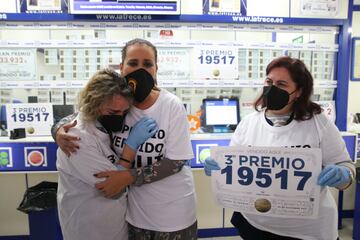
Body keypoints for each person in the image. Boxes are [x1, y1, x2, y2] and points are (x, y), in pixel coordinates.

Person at [53, 38, 197, 240]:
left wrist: (127, 176)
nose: (140, 69)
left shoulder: (170, 104)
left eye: (147, 64)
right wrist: (58, 129)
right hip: (133, 214)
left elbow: (176, 162)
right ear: (122, 67)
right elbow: (84, 116)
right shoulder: (120, 101)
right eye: (132, 63)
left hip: (171, 211)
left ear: (156, 68)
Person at [204, 56, 355, 240]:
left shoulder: (319, 122)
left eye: (282, 84)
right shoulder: (249, 123)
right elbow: (234, 168)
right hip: (255, 226)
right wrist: (219, 168)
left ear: (298, 91)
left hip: (308, 232)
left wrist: (343, 174)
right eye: (269, 81)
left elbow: (346, 168)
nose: (272, 88)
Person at [56, 69, 158, 240]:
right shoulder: (77, 138)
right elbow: (113, 188)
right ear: (94, 104)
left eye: (124, 112)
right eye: (112, 112)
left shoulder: (103, 127)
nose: (119, 117)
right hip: (88, 228)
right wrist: (130, 147)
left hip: (114, 224)